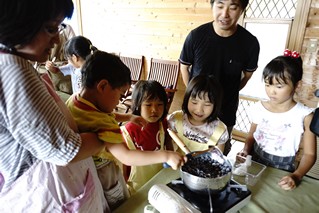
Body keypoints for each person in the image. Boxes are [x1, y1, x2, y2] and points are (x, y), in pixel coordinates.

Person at [0, 0, 109, 212]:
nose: (57, 39)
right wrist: (109, 135)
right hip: (49, 193)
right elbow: (65, 150)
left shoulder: (15, 63)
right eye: (51, 29)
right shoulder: (14, 70)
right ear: (20, 24)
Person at [66, 51, 186, 210]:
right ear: (103, 86)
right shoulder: (104, 124)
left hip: (82, 171)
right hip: (104, 172)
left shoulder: (76, 101)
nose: (119, 102)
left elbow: (103, 114)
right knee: (121, 205)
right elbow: (127, 157)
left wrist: (128, 117)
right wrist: (166, 155)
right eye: (120, 95)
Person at [179, 0, 260, 155]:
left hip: (225, 112)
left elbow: (247, 76)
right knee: (186, 151)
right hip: (195, 111)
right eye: (220, 6)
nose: (225, 14)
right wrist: (194, 95)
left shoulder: (250, 43)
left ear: (242, 9)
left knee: (218, 156)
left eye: (233, 7)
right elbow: (184, 67)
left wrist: (227, 94)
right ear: (212, 5)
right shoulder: (196, 36)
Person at [237, 50, 317, 190]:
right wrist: (245, 150)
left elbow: (310, 154)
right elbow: (251, 136)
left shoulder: (304, 115)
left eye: (279, 86)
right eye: (268, 85)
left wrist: (296, 176)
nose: (271, 91)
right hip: (255, 160)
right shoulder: (259, 108)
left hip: (282, 168)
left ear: (297, 85)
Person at [121, 80, 175, 194]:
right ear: (137, 105)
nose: (154, 110)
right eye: (148, 105)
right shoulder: (128, 131)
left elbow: (168, 144)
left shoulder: (163, 123)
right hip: (138, 187)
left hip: (159, 179)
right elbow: (123, 165)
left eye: (160, 104)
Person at [167, 75, 229, 154]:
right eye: (194, 102)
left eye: (207, 105)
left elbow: (218, 158)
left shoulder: (220, 130)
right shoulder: (176, 119)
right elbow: (167, 147)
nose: (199, 110)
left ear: (216, 105)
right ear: (187, 99)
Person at [36, 23, 76, 94]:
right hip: (44, 75)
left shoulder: (66, 28)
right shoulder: (37, 30)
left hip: (64, 76)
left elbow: (73, 51)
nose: (56, 40)